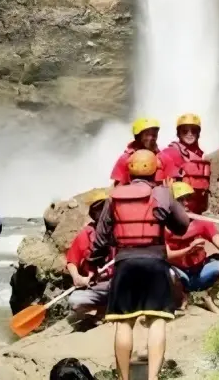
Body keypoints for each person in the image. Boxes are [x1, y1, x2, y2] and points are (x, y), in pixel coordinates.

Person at [89, 149, 190, 380]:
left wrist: (94, 264)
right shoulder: (163, 194)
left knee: (124, 322)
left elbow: (101, 237)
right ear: (155, 168)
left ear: (129, 168)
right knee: (156, 321)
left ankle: (124, 378)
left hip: (125, 263)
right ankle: (153, 377)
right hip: (155, 263)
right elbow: (182, 226)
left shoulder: (113, 196)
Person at [164, 182, 219, 311]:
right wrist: (188, 250)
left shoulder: (202, 223)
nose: (186, 203)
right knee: (168, 273)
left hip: (200, 271)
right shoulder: (165, 227)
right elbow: (166, 255)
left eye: (188, 198)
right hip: (179, 272)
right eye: (180, 200)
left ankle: (208, 296)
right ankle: (182, 298)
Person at [66, 189, 113, 321]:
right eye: (98, 208)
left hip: (117, 283)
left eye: (104, 207)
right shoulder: (85, 234)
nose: (102, 212)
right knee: (75, 300)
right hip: (96, 286)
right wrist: (77, 277)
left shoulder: (119, 231)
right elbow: (71, 262)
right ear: (93, 213)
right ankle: (99, 311)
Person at [157, 113, 212, 215]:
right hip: (175, 213)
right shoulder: (169, 152)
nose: (189, 134)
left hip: (196, 212)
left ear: (198, 134)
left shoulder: (200, 156)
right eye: (185, 131)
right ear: (178, 134)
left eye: (194, 131)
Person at [110, 117, 164, 186]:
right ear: (138, 136)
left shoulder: (160, 156)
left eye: (154, 135)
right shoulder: (126, 158)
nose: (151, 138)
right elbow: (117, 186)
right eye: (147, 134)